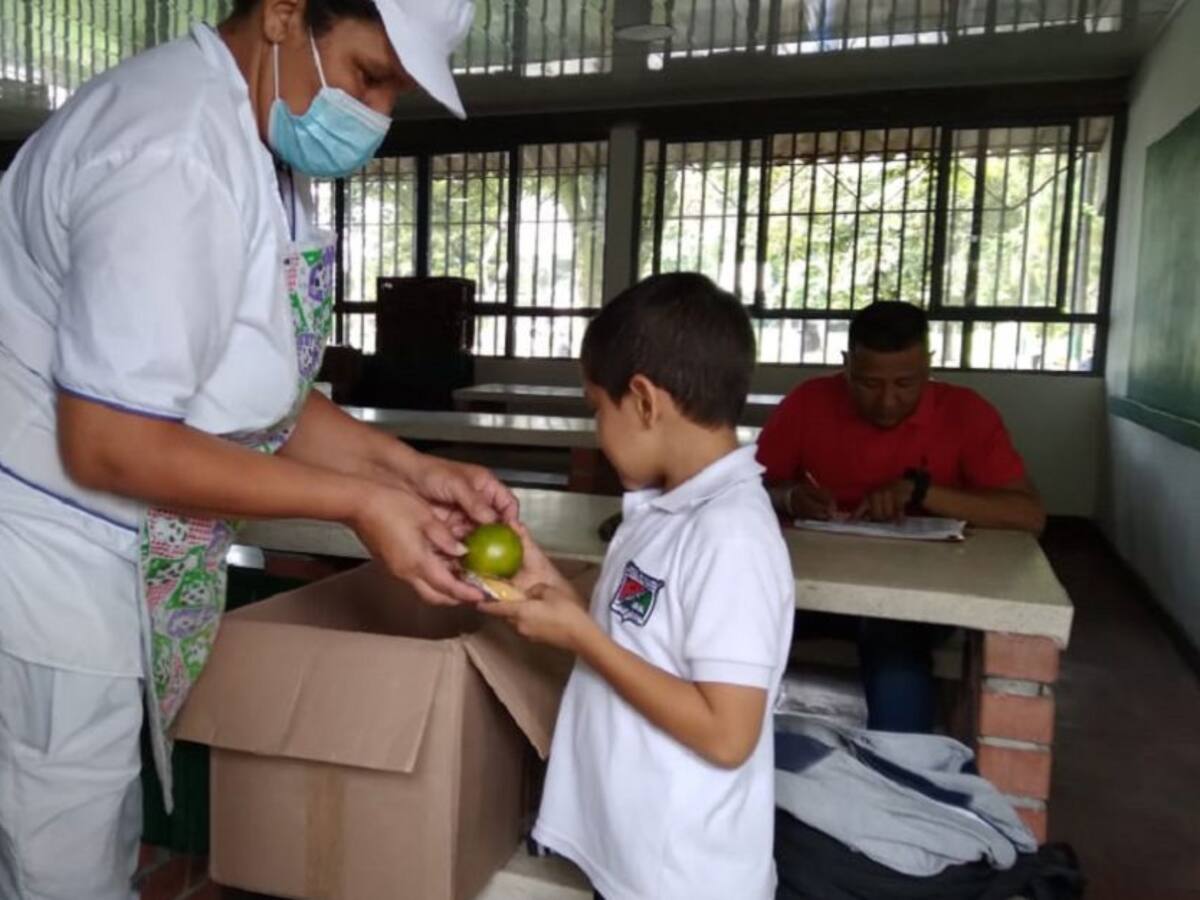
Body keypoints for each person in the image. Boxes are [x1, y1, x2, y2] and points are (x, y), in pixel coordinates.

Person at [0, 2, 512, 897]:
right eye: (370, 73)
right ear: (283, 14)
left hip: (107, 554)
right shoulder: (173, 150)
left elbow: (253, 390)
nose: (379, 114)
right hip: (49, 556)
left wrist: (408, 469)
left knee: (83, 831)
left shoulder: (253, 147)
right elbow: (112, 441)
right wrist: (357, 504)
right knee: (61, 857)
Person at [483, 274, 795, 900]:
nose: (597, 431)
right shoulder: (667, 509)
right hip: (636, 860)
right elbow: (642, 644)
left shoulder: (731, 536)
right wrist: (564, 602)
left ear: (646, 401)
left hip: (686, 879)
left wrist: (583, 641)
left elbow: (727, 733)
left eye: (597, 408)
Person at [756, 300, 1046, 733]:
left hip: (913, 602)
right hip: (814, 589)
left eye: (906, 384)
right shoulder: (809, 402)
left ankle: (903, 779)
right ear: (846, 364)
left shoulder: (966, 413)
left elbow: (1028, 515)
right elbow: (745, 486)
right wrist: (790, 496)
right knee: (743, 622)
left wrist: (924, 492)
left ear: (929, 366)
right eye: (869, 383)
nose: (888, 401)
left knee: (894, 652)